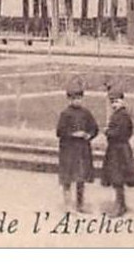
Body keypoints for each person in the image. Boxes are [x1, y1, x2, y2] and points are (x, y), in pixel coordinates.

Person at [55, 79, 98, 210]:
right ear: (69, 99)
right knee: (67, 177)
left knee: (81, 177)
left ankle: (80, 204)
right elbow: (59, 131)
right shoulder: (65, 114)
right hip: (68, 150)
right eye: (74, 98)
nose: (77, 101)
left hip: (82, 150)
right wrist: (73, 134)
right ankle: (67, 204)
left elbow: (94, 128)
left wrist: (88, 135)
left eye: (79, 98)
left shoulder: (86, 113)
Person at [101, 86, 134, 217]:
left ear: (122, 101)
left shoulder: (123, 116)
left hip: (120, 150)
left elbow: (122, 132)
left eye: (116, 101)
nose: (114, 105)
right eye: (112, 102)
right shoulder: (117, 115)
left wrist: (108, 132)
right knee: (116, 178)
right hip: (115, 150)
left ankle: (120, 206)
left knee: (118, 178)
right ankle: (120, 203)